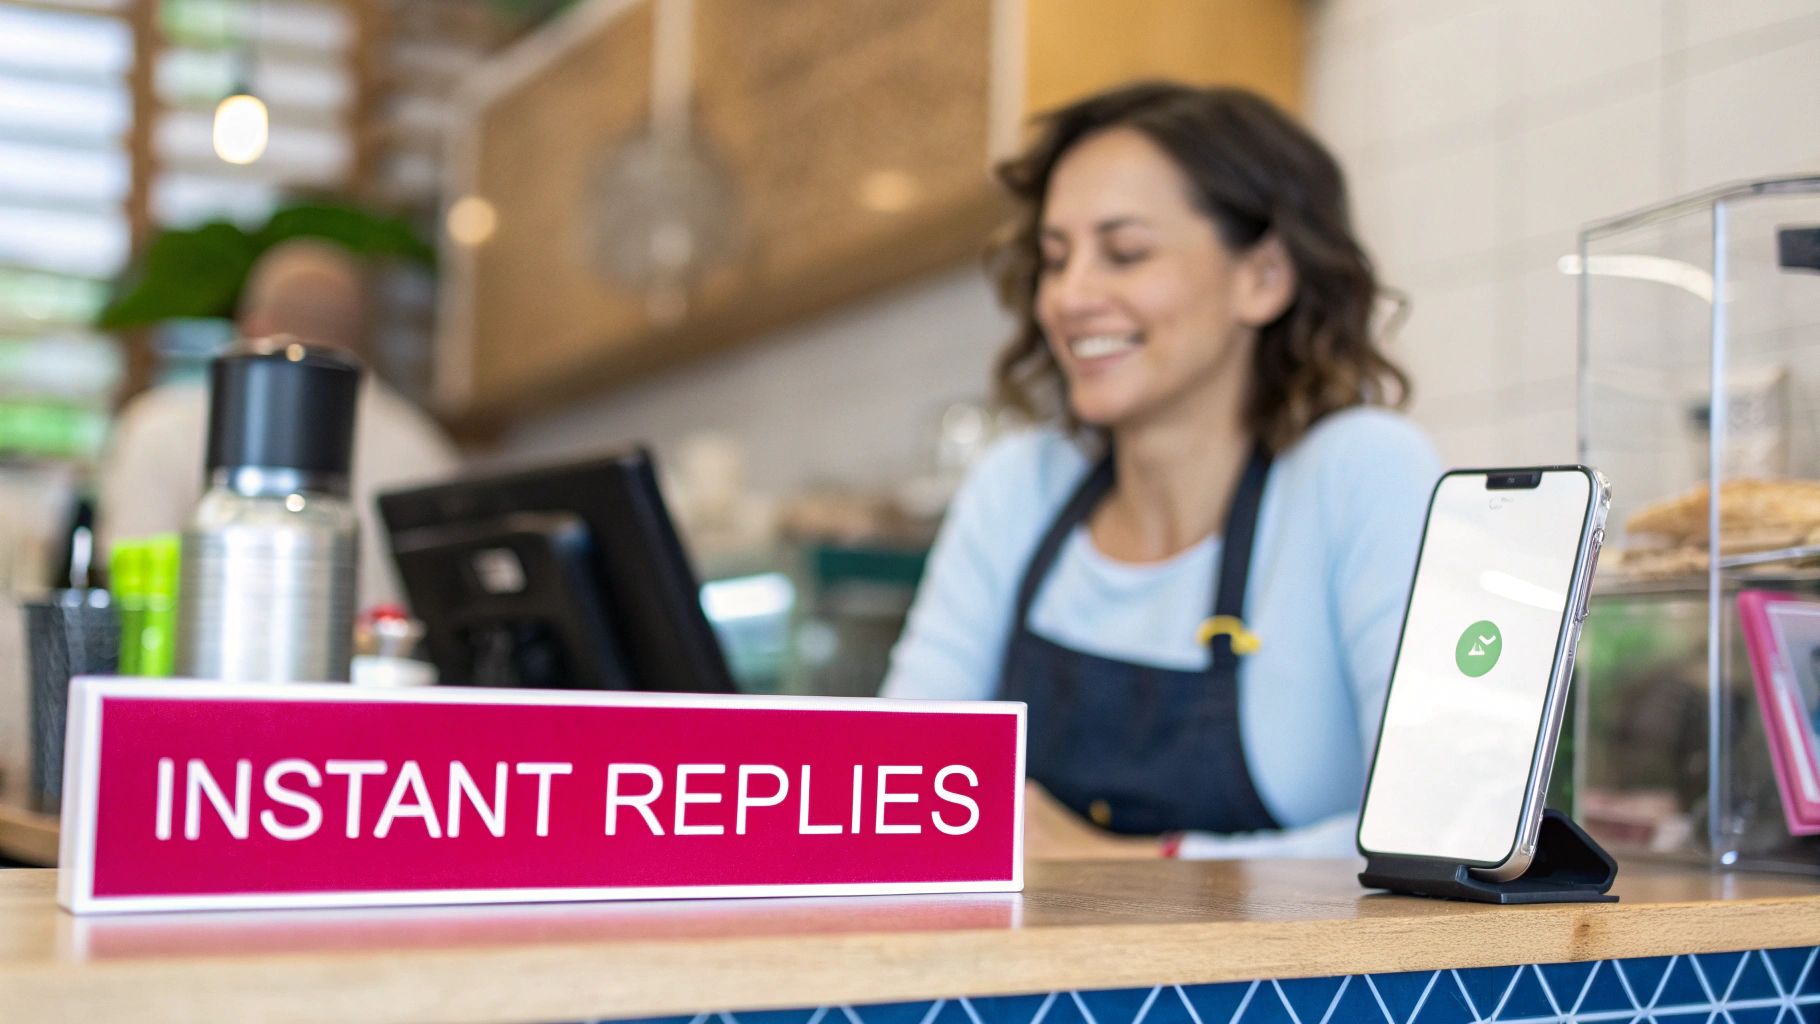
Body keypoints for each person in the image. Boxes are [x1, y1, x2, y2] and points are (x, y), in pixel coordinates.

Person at [880, 82, 1441, 859]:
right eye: (1055, 259)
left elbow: (1440, 833)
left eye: (1126, 253)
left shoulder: (1360, 473)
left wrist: (1128, 864)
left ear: (1264, 277)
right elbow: (898, 790)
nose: (1070, 297)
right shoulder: (1019, 486)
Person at [97, 239, 461, 608]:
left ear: (251, 322)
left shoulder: (158, 427)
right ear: (360, 336)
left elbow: (133, 591)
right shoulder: (423, 452)